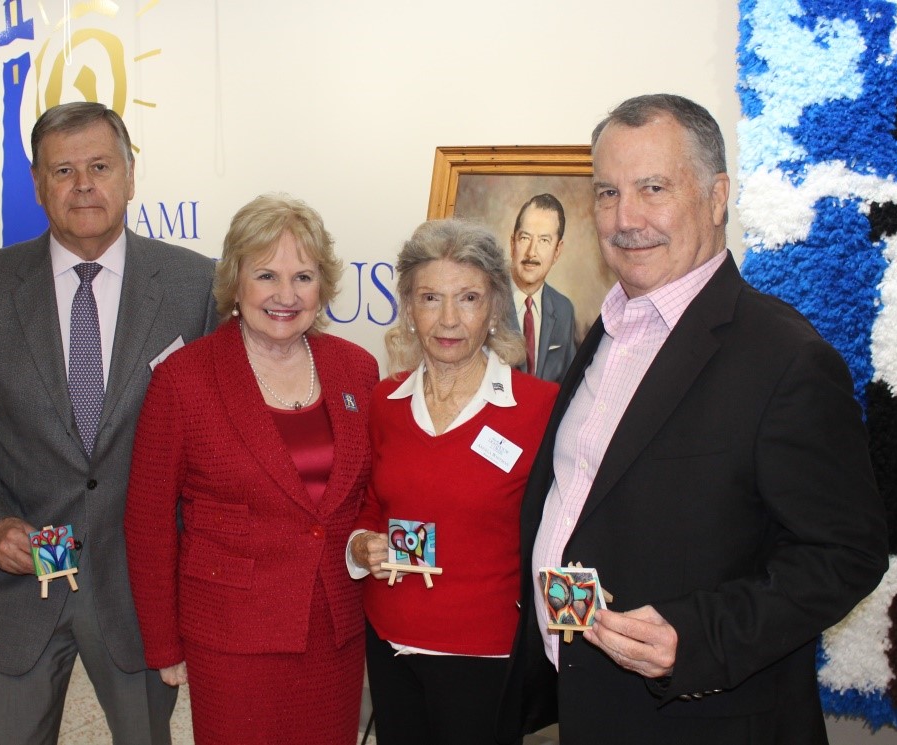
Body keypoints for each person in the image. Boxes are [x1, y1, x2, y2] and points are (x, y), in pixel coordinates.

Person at [496, 94, 889, 744]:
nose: (626, 219)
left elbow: (847, 552)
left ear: (716, 197)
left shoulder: (786, 357)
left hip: (700, 718)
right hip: (584, 708)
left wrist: (697, 637)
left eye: (653, 188)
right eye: (607, 193)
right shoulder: (607, 331)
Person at [0, 102, 217, 744]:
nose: (84, 184)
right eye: (63, 169)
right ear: (37, 183)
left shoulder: (194, 286)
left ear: (131, 175)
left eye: (100, 166)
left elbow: (211, 443)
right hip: (16, 586)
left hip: (139, 590)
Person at [124, 193, 378, 745]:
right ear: (235, 282)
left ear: (323, 286)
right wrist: (164, 645)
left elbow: (369, 495)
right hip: (231, 637)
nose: (286, 295)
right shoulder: (184, 380)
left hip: (334, 632)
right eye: (266, 275)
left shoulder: (355, 369)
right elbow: (147, 522)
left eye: (303, 277)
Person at [349, 219, 558, 745]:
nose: (448, 319)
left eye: (467, 297)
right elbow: (371, 505)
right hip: (391, 644)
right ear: (409, 308)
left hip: (484, 657)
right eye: (430, 298)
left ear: (494, 307)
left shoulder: (538, 409)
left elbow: (558, 533)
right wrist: (361, 545)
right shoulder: (385, 401)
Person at [507, 194, 577, 383]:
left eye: (544, 240)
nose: (532, 252)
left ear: (557, 251)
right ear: (513, 244)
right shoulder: (485, 300)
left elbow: (566, 385)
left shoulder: (564, 310)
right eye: (525, 238)